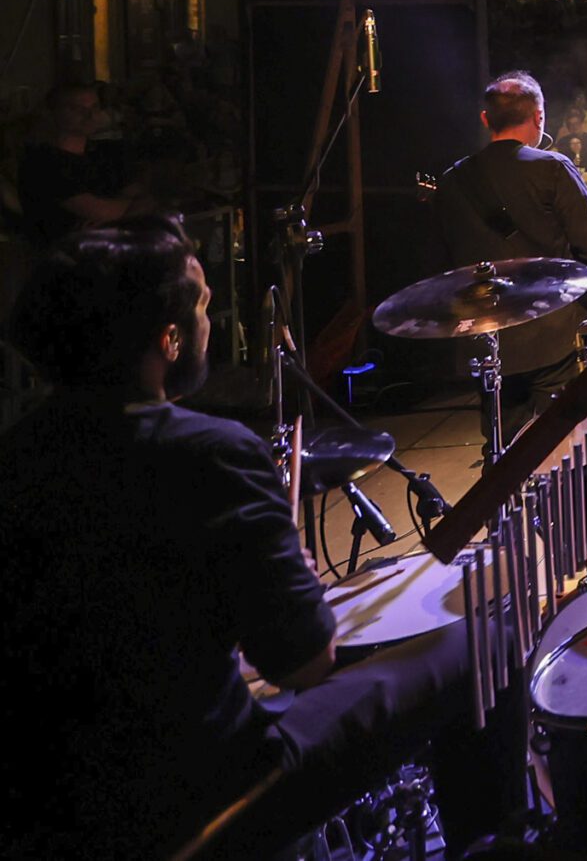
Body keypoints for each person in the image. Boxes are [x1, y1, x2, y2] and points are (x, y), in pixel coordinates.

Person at [0, 220, 510, 858]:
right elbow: (303, 661)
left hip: (45, 810)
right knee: (487, 641)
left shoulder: (16, 457)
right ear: (168, 338)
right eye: (202, 306)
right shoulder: (208, 453)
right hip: (201, 797)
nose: (209, 323)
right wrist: (292, 571)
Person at [434, 71, 587, 271]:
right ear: (539, 117)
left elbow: (439, 256)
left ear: (485, 119)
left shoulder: (451, 178)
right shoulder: (553, 167)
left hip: (476, 290)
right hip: (547, 288)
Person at [16, 82, 143, 247]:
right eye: (77, 109)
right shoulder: (43, 163)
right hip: (64, 253)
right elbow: (101, 211)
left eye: (95, 107)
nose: (90, 115)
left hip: (114, 244)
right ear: (54, 112)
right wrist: (131, 207)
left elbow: (144, 196)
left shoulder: (104, 152)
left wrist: (123, 210)